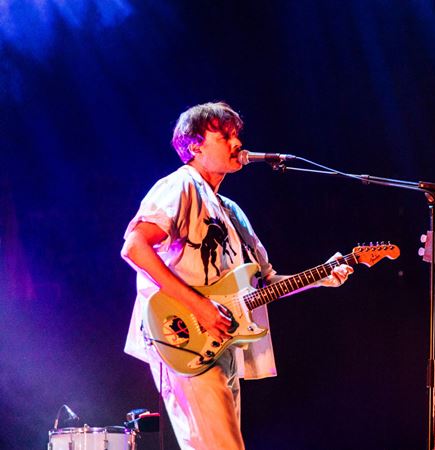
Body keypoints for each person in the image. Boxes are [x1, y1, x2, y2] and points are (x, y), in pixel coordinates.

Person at [120, 102, 353, 449]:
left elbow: (264, 282)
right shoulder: (179, 186)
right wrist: (200, 307)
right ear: (196, 145)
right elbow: (135, 247)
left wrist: (320, 276)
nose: (236, 143)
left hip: (223, 344)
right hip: (184, 336)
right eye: (224, 135)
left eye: (237, 135)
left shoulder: (232, 212)